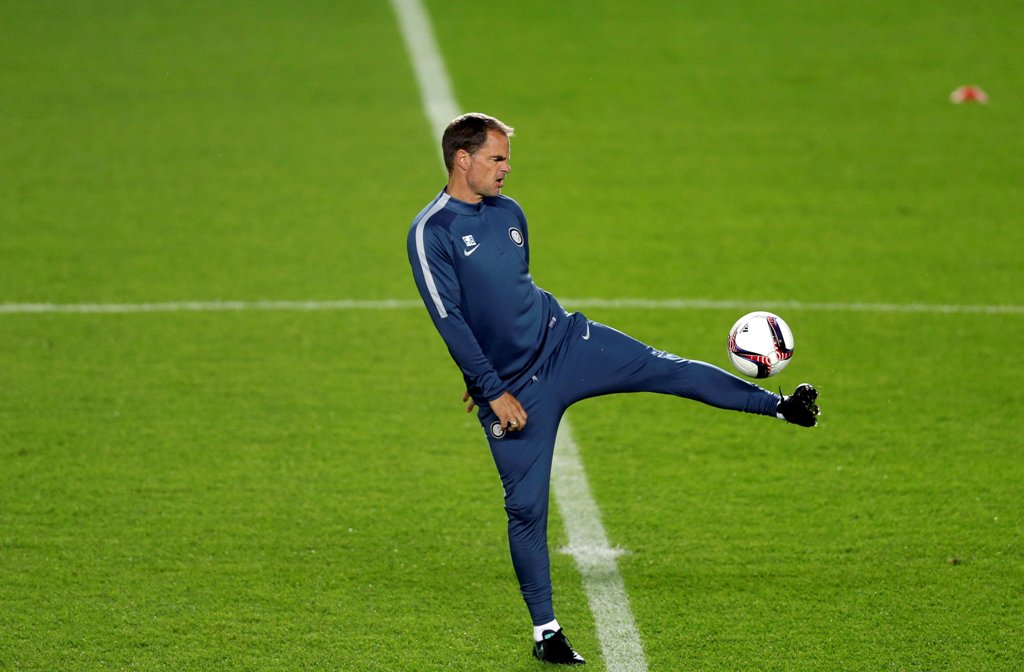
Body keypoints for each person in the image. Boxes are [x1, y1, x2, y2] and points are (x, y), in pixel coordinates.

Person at [406, 113, 820, 666]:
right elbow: (450, 318)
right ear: (463, 159)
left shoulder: (510, 213)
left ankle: (780, 407)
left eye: (507, 158)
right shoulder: (431, 232)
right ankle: (546, 633)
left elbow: (511, 293)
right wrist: (487, 386)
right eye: (497, 158)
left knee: (664, 367)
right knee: (525, 508)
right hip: (512, 393)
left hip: (565, 341)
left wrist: (481, 371)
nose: (507, 168)